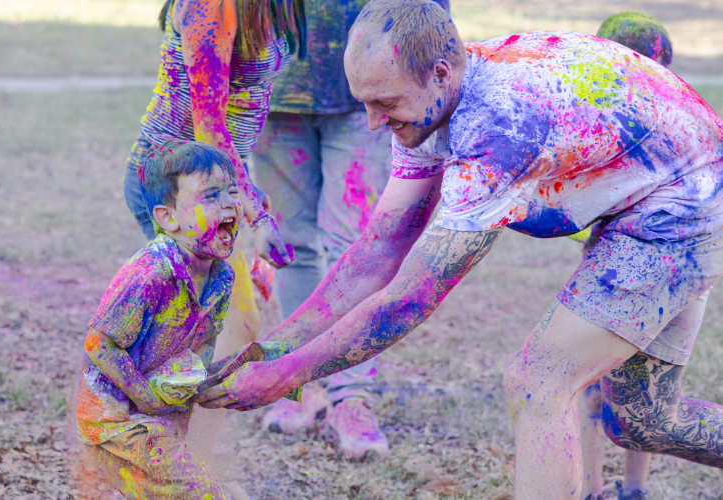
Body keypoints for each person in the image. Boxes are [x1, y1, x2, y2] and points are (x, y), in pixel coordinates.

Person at [195, 1, 723, 498]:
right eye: (365, 103)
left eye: (386, 103)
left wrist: (286, 376)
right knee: (643, 421)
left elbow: (409, 298)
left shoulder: (497, 129)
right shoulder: (429, 104)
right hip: (664, 183)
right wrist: (270, 353)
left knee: (539, 381)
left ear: (441, 74)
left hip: (687, 202)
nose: (375, 122)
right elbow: (378, 250)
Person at [249, 0, 456, 460]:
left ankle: (352, 396)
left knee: (360, 246)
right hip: (272, 84)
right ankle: (301, 386)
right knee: (290, 246)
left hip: (368, 89)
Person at [120, 0, 305, 466]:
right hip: (179, 185)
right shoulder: (210, 4)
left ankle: (179, 472)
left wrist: (249, 205)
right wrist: (254, 219)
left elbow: (237, 123)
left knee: (215, 334)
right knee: (227, 333)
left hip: (215, 186)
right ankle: (176, 474)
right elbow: (209, 125)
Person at [75, 140, 242, 498]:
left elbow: (206, 339)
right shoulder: (151, 273)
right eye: (211, 196)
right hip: (117, 421)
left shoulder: (222, 277)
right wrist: (147, 396)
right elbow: (99, 342)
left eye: (232, 191)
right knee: (200, 491)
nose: (229, 203)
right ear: (169, 218)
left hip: (162, 415)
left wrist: (198, 375)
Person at [578, 11, 678, 500]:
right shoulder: (686, 117)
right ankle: (626, 488)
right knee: (640, 385)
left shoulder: (599, 120)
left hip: (615, 269)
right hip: (664, 276)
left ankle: (597, 487)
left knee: (595, 381)